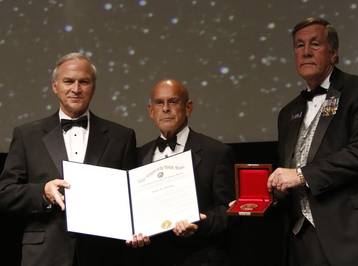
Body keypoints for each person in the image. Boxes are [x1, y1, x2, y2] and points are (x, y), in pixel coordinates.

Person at [267, 17, 358, 266]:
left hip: (356, 236)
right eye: (299, 45)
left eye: (315, 44)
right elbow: (290, 169)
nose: (305, 52)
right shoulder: (288, 113)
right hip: (304, 240)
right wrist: (269, 193)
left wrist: (301, 175)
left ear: (334, 53)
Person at [0, 52, 137, 266]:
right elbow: (5, 193)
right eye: (68, 81)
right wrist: (43, 192)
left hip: (103, 254)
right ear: (55, 86)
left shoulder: (122, 136)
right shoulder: (27, 135)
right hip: (45, 255)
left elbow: (133, 196)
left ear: (93, 87)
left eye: (84, 81)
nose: (76, 89)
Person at [126, 79, 235, 266]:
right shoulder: (138, 155)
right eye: (159, 103)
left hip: (200, 258)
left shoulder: (215, 153)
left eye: (173, 101)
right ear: (151, 111)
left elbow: (229, 210)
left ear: (188, 107)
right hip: (151, 258)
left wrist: (201, 222)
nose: (166, 108)